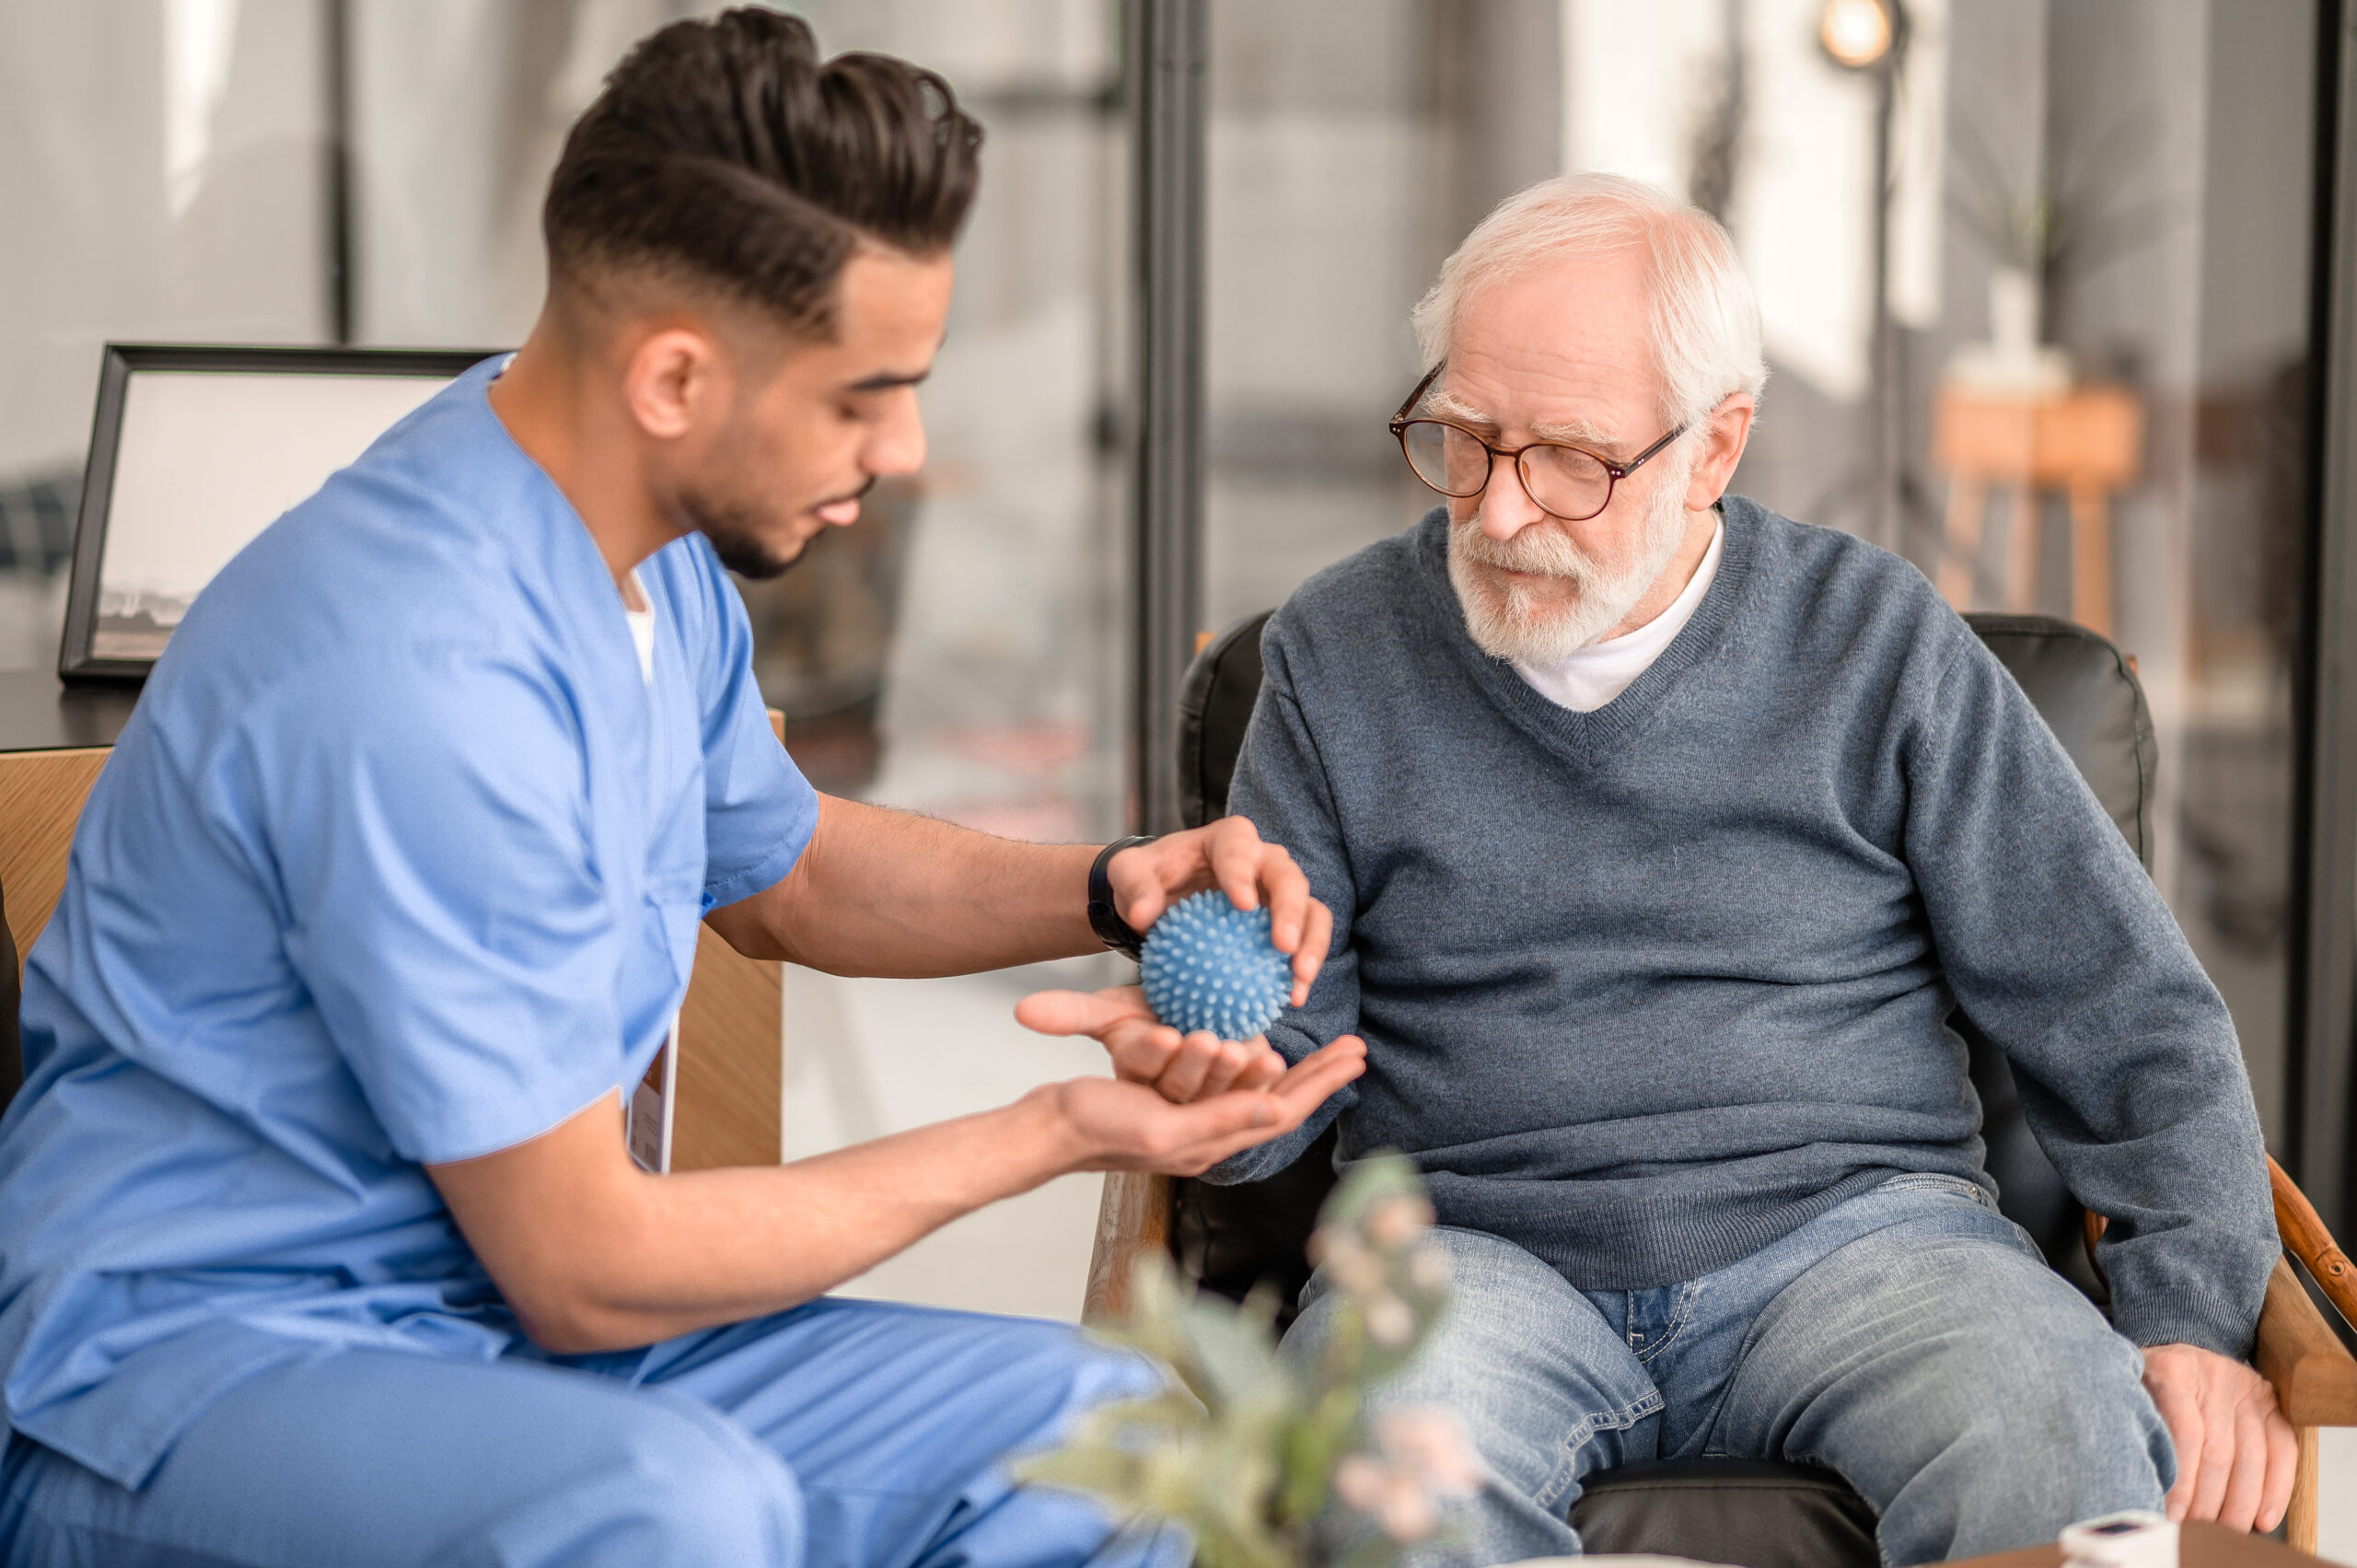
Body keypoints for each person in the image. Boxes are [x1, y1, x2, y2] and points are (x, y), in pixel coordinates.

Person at [0, 13, 1365, 1568]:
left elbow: (785, 872)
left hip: (507, 1332)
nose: (907, 447)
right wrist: (1055, 1129)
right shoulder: (419, 676)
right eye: (864, 394)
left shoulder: (635, 542)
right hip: (207, 1375)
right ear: (672, 376)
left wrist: (1112, 888)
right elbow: (586, 1265)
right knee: (673, 1514)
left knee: (1106, 1440)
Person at [1163, 172, 2293, 1566]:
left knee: (2061, 1438)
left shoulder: (1874, 640)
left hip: (1866, 1244)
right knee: (1386, 1484)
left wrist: (2191, 1314)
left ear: (1716, 447)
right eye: (1464, 437)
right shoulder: (1335, 656)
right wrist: (1217, 1083)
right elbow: (1275, 1071)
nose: (1502, 510)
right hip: (1460, 1255)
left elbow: (2125, 1006)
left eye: (1572, 458)